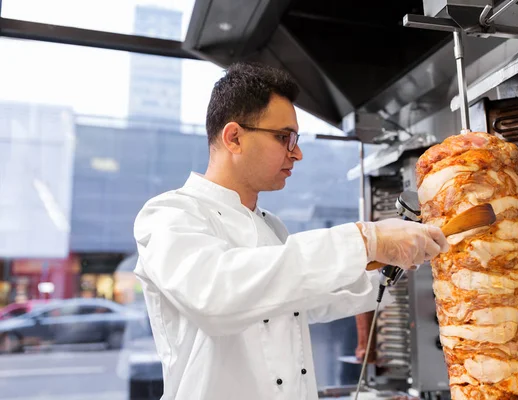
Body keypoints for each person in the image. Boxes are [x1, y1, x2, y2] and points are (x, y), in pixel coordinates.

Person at [133, 62, 449, 400]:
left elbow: (313, 298)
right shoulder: (169, 215)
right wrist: (364, 239)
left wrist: (395, 257)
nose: (296, 153)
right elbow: (217, 295)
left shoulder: (270, 226)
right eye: (285, 137)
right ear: (234, 137)